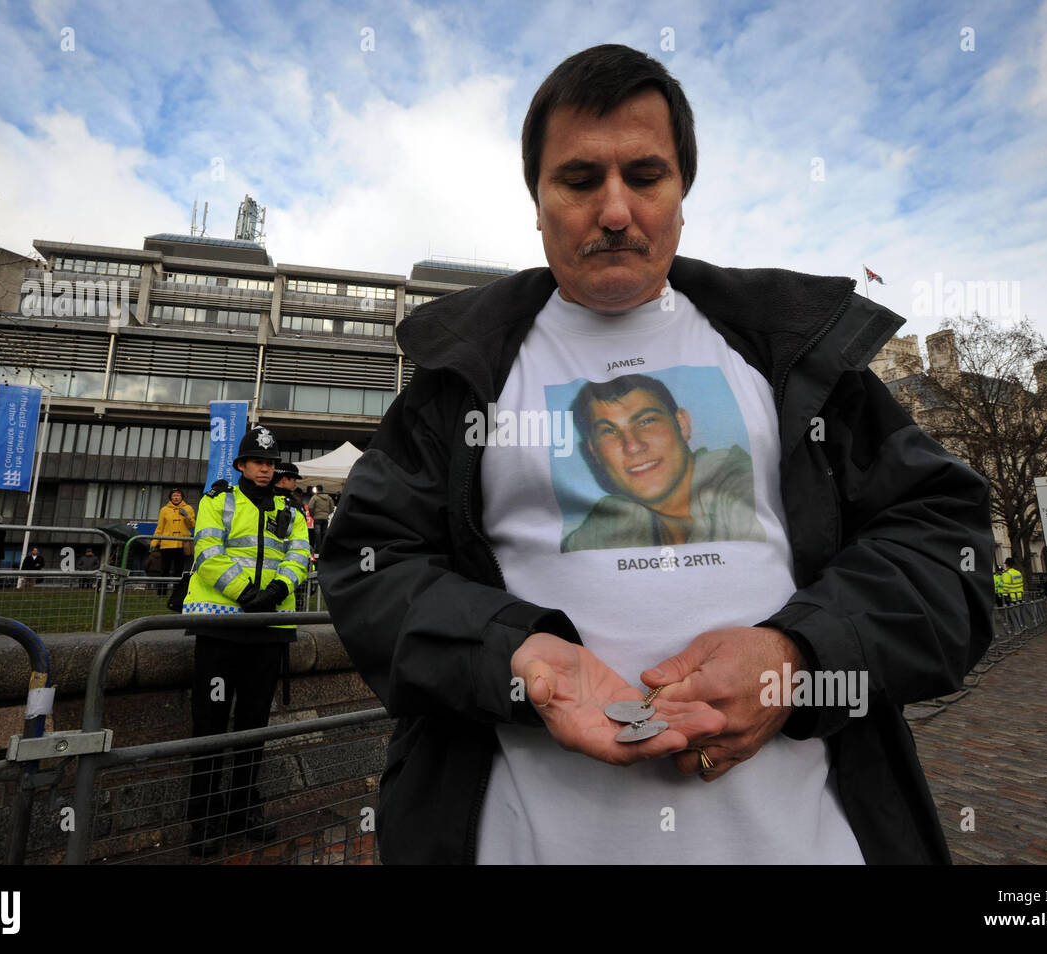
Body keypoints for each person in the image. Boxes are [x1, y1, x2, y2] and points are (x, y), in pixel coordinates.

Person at [319, 45, 994, 865]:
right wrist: (516, 656)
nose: (614, 210)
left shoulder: (796, 350)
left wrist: (799, 657)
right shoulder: (460, 377)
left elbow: (945, 547)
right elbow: (370, 564)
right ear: (536, 200)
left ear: (682, 193)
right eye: (578, 180)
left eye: (645, 175)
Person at [183, 426, 312, 856]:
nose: (265, 468)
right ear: (241, 465)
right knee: (210, 725)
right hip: (221, 628)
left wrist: (274, 592)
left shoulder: (290, 509)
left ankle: (243, 809)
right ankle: (203, 818)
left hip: (267, 630)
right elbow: (206, 552)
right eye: (258, 461)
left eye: (271, 463)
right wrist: (246, 593)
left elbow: (299, 555)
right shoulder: (216, 500)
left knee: (253, 725)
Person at [561, 374, 763, 551]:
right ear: (594, 452)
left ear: (682, 425)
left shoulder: (740, 486)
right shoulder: (611, 521)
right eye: (609, 431)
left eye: (646, 421)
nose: (632, 446)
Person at [151, 489, 196, 597]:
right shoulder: (164, 510)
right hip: (166, 544)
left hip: (181, 544)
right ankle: (161, 593)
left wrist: (187, 516)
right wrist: (154, 542)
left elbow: (193, 525)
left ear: (182, 497)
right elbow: (160, 527)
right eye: (174, 496)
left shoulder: (188, 508)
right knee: (164, 570)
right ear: (170, 498)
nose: (176, 497)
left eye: (178, 496)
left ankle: (177, 593)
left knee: (179, 570)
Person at [307, 486, 334, 553]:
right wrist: (327, 513)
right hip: (325, 518)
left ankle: (318, 549)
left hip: (317, 518)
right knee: (324, 533)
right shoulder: (329, 498)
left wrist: (313, 514)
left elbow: (310, 507)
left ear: (317, 490)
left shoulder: (315, 497)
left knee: (317, 534)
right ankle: (324, 549)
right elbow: (332, 508)